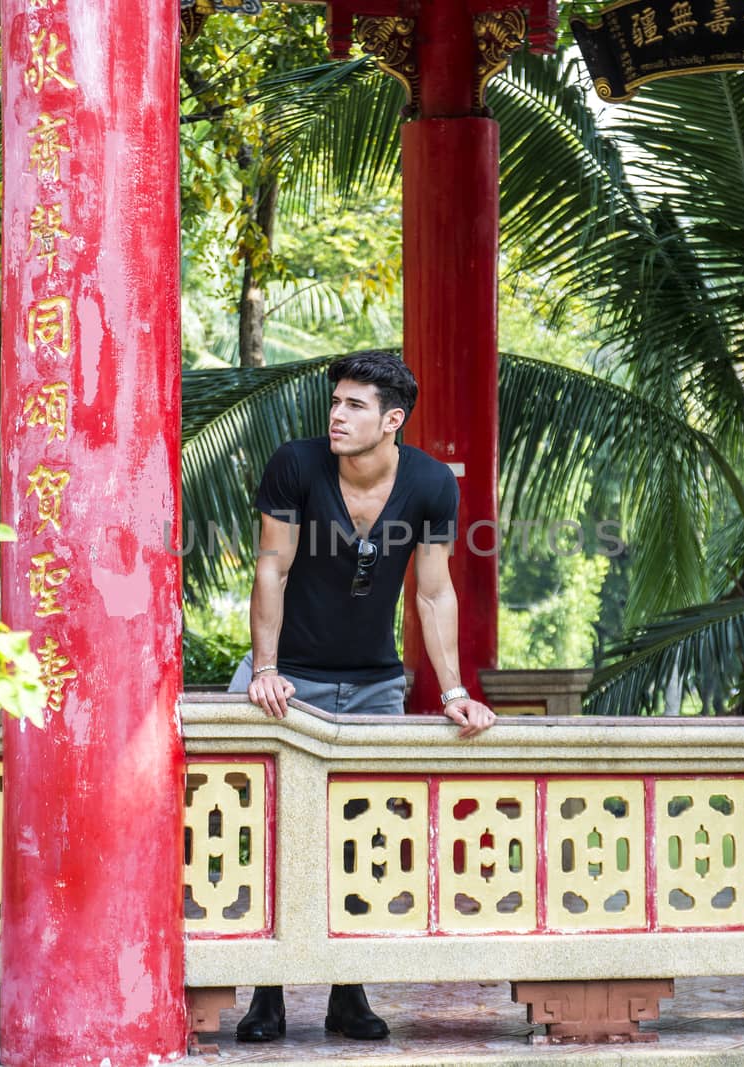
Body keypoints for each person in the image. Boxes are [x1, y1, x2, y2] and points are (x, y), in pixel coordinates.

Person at [227, 351, 497, 1042]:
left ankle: (349, 990)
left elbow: (433, 589)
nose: (337, 416)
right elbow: (272, 566)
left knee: (364, 836)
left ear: (392, 420)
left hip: (374, 680)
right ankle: (268, 991)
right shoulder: (296, 463)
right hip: (287, 677)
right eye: (335, 403)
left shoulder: (432, 483)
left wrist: (455, 690)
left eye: (354, 405)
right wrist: (264, 667)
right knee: (268, 830)